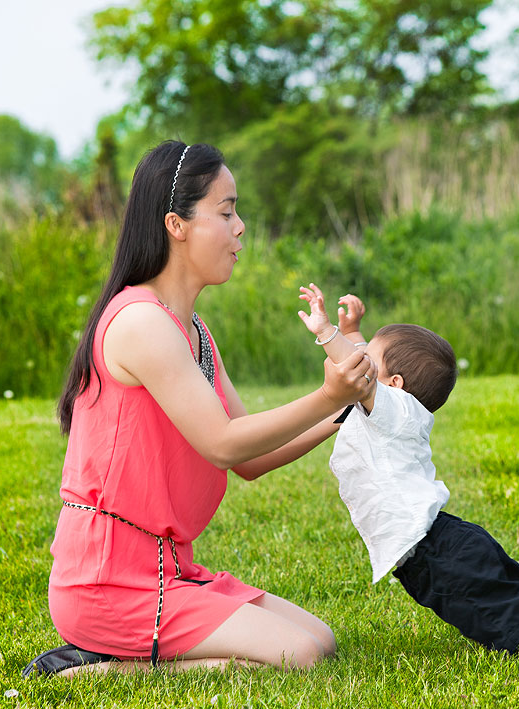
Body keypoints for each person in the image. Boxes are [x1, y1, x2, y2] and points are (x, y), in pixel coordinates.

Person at [22, 141, 378, 677]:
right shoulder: (140, 323)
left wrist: (346, 409)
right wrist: (330, 394)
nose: (240, 229)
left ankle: (124, 653)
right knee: (297, 656)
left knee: (319, 640)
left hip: (168, 572)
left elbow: (249, 458)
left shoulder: (194, 332)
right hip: (107, 580)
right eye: (226, 211)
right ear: (176, 224)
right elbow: (223, 442)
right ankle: (96, 667)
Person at [297, 283, 519, 652]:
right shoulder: (391, 406)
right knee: (489, 614)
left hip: (436, 547)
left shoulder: (398, 411)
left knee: (508, 610)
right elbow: (365, 369)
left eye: (369, 358)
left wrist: (327, 333)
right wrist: (353, 331)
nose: (359, 358)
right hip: (426, 550)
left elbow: (359, 375)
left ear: (394, 384)